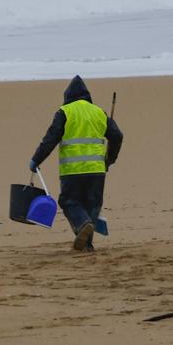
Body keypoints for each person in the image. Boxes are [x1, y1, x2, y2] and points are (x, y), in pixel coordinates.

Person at [29, 75, 123, 252]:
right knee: (92, 205)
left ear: (68, 96)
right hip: (96, 170)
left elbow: (50, 140)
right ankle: (87, 244)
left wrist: (36, 159)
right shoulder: (99, 112)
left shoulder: (65, 112)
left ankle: (82, 226)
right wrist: (109, 160)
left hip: (72, 170)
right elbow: (117, 136)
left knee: (69, 201)